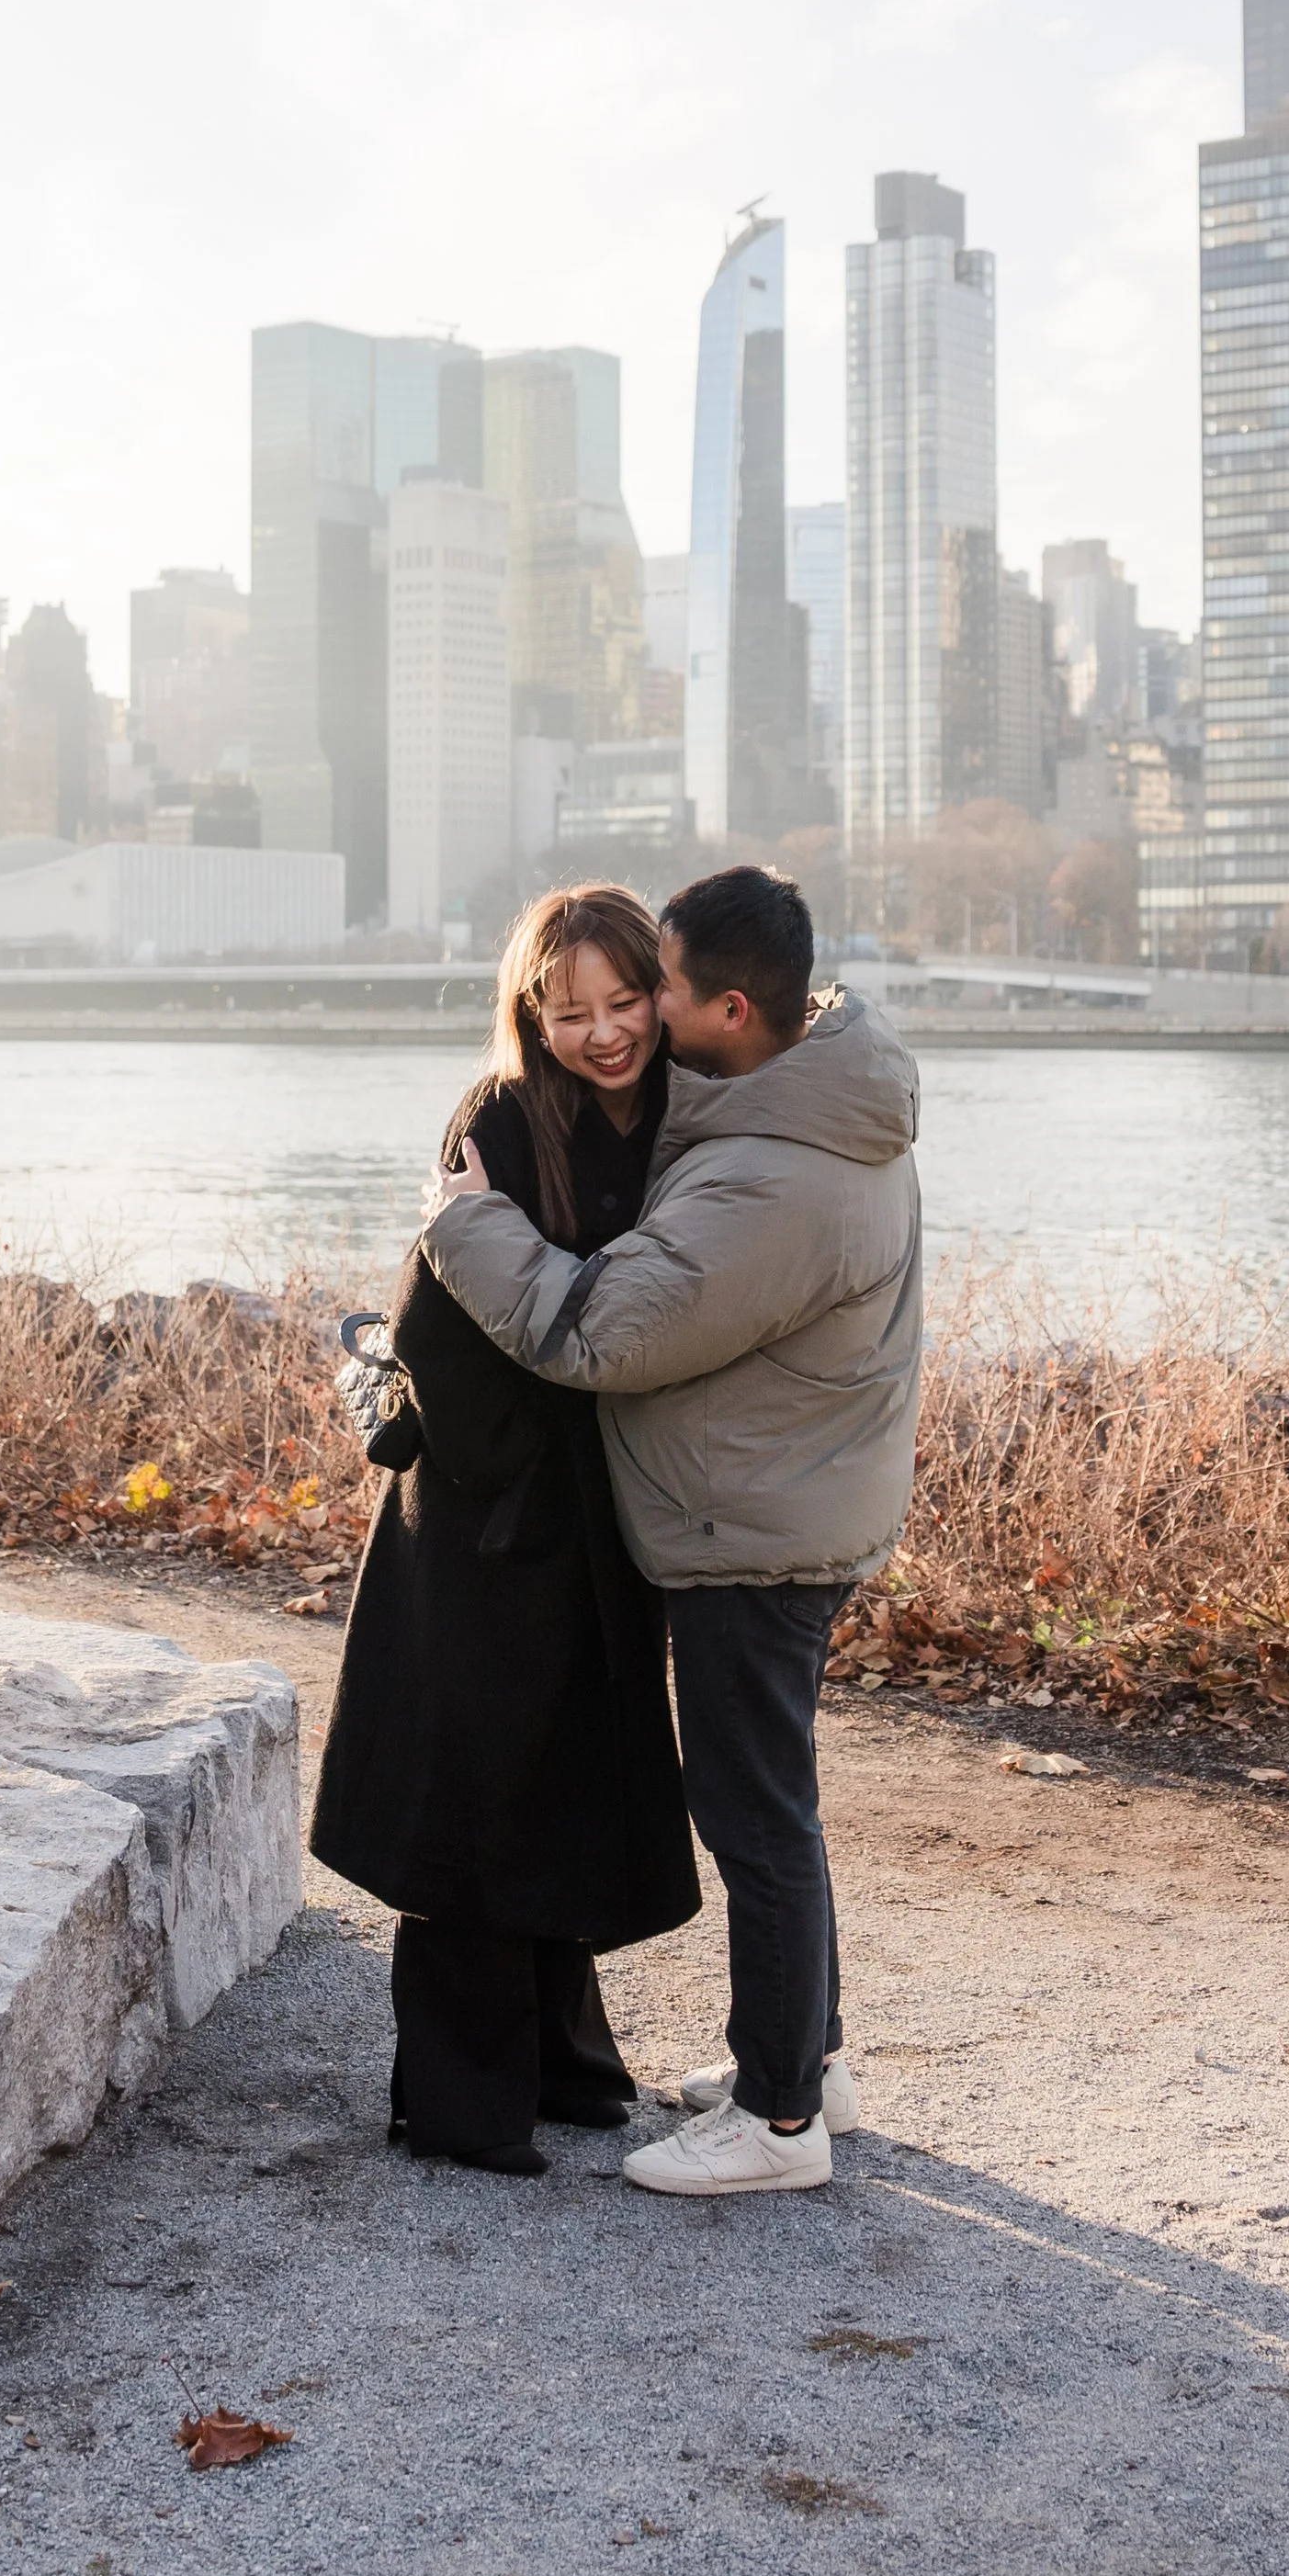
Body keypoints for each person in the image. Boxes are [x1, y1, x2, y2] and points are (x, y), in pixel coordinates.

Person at [423, 863, 922, 2198]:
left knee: (756, 1822)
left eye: (659, 989)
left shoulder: (766, 1176)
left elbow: (599, 1333)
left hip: (752, 1526)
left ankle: (774, 2125)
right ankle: (806, 2062)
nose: (638, 1021)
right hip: (786, 1499)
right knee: (778, 1809)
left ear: (730, 1008)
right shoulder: (824, 1109)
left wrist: (466, 1229)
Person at [310, 884, 700, 2177]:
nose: (602, 1032)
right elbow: (430, 1320)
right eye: (570, 1009)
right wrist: (526, 1464)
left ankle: (567, 2069)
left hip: (600, 1510)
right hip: (488, 1507)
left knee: (564, 1781)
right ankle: (464, 2103)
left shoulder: (679, 1115)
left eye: (624, 1001)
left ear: (663, 988)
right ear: (532, 1011)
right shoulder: (497, 1118)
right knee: (475, 1793)